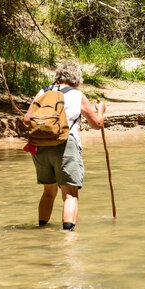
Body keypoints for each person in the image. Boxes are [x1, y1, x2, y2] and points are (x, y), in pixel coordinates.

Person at [23, 61, 106, 231]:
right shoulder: (77, 95)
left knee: (48, 192)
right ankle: (68, 239)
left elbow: (26, 119)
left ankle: (42, 232)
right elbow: (97, 124)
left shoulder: (43, 91)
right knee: (70, 194)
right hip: (65, 144)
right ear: (77, 78)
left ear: (58, 76)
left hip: (40, 146)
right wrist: (101, 110)